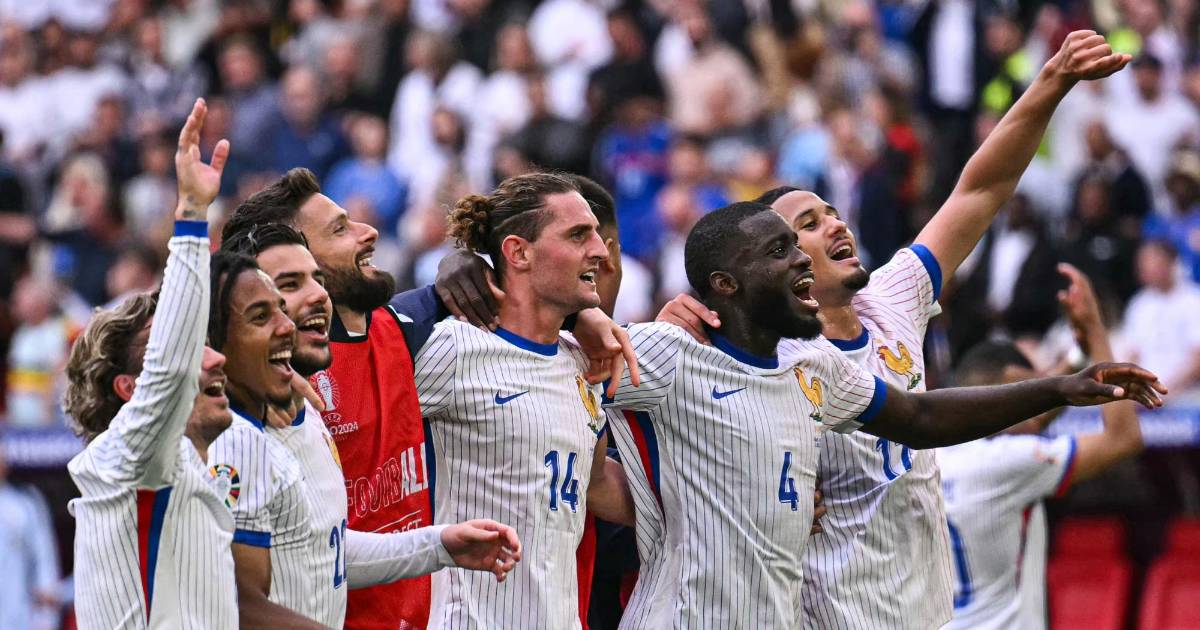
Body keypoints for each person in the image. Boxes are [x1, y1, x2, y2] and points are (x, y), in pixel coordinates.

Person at [657, 30, 1131, 629]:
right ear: (776, 260)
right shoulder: (769, 358)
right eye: (809, 224)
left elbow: (980, 189)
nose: (836, 225)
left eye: (833, 213)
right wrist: (681, 321)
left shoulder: (893, 297)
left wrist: (1050, 81)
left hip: (927, 615)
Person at [603, 201, 1163, 629]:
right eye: (779, 250)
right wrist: (589, 318)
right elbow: (565, 364)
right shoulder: (671, 350)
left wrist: (1060, 388)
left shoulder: (816, 370)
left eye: (795, 245)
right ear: (726, 285)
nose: (800, 257)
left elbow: (918, 417)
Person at [221, 167, 631, 630]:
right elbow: (240, 597)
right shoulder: (241, 417)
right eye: (338, 230)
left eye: (313, 277)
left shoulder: (400, 333)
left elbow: (331, 547)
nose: (368, 231)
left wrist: (577, 315)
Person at [207, 232, 521, 628]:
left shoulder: (307, 415)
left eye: (317, 280)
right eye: (262, 312)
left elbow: (326, 550)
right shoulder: (228, 443)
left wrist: (438, 545)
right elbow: (237, 606)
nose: (285, 324)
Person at [414, 172, 636, 629]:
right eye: (578, 235)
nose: (600, 251)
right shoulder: (453, 348)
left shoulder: (582, 360)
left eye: (597, 234)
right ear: (518, 252)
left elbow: (594, 481)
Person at [62, 99, 238, 629]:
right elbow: (172, 373)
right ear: (128, 387)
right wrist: (191, 215)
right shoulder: (127, 456)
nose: (214, 358)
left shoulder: (185, 464)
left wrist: (433, 545)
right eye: (185, 346)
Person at [940, 265, 1144, 630]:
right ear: (1005, 391)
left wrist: (1079, 356)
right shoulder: (1007, 462)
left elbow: (1031, 419)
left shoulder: (931, 455)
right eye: (1025, 393)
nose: (1033, 404)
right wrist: (1096, 330)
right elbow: (1123, 439)